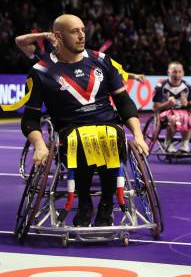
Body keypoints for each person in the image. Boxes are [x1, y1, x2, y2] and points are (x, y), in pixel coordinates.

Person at [20, 14, 149, 227]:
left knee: (110, 137)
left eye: (83, 30)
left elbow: (124, 102)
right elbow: (30, 119)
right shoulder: (40, 71)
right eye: (74, 31)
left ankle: (106, 204)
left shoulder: (101, 60)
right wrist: (40, 145)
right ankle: (85, 204)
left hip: (108, 127)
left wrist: (138, 135)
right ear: (58, 37)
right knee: (81, 141)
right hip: (70, 133)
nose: (82, 35)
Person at [15, 31, 146, 83]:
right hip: (53, 91)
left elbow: (114, 69)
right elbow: (19, 41)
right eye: (55, 39)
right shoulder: (43, 54)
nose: (57, 42)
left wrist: (134, 76)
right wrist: (43, 35)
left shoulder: (80, 55)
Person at [152, 61, 191, 153]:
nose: (177, 74)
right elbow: (155, 107)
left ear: (183, 73)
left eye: (179, 72)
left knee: (189, 117)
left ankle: (185, 144)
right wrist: (167, 104)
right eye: (174, 72)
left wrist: (187, 104)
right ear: (169, 72)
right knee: (173, 118)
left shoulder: (188, 87)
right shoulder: (161, 87)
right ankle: (168, 142)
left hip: (182, 112)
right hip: (164, 113)